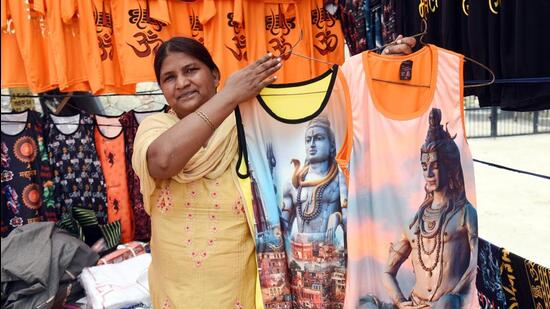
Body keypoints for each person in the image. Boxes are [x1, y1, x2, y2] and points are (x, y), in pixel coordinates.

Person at [132, 36, 416, 308]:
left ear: (215, 75)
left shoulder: (249, 120)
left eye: (191, 70)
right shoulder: (155, 128)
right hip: (177, 293)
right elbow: (164, 160)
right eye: (169, 77)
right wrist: (230, 95)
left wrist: (382, 68)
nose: (182, 83)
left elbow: (327, 106)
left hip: (241, 290)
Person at [382, 108, 479, 309]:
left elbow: (475, 266)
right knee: (364, 303)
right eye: (424, 166)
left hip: (449, 304)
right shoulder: (415, 222)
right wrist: (400, 302)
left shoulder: (464, 213)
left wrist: (453, 296)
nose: (428, 172)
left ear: (449, 166)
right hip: (416, 302)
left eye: (434, 165)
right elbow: (387, 272)